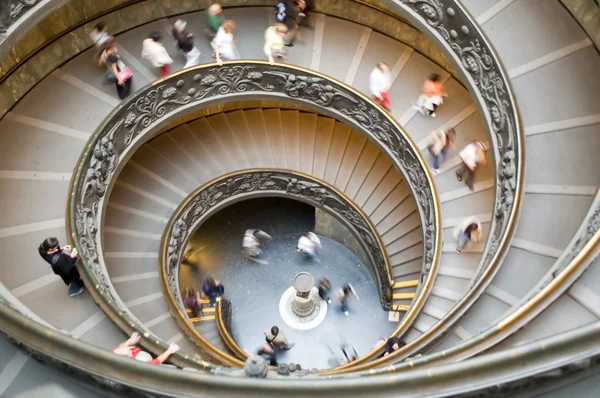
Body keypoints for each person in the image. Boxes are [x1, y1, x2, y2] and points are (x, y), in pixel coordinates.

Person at [112, 332, 180, 365]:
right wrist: (169, 351)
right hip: (148, 358)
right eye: (124, 351)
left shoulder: (116, 352)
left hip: (139, 352)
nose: (126, 348)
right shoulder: (140, 361)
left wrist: (129, 342)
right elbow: (156, 362)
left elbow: (119, 347)